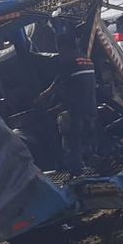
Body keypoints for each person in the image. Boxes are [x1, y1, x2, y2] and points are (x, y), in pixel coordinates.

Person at [36, 29, 98, 172]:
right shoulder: (86, 59)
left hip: (75, 111)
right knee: (87, 140)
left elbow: (59, 84)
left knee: (72, 143)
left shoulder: (66, 60)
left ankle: (75, 173)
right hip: (90, 107)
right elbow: (79, 85)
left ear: (61, 46)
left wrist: (43, 97)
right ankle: (91, 169)